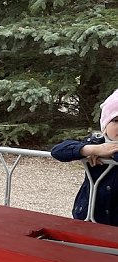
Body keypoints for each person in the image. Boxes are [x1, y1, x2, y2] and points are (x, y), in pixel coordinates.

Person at [51, 88, 118, 226]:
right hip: (88, 218)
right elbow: (58, 151)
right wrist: (91, 149)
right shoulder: (96, 143)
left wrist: (110, 153)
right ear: (104, 126)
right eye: (116, 120)